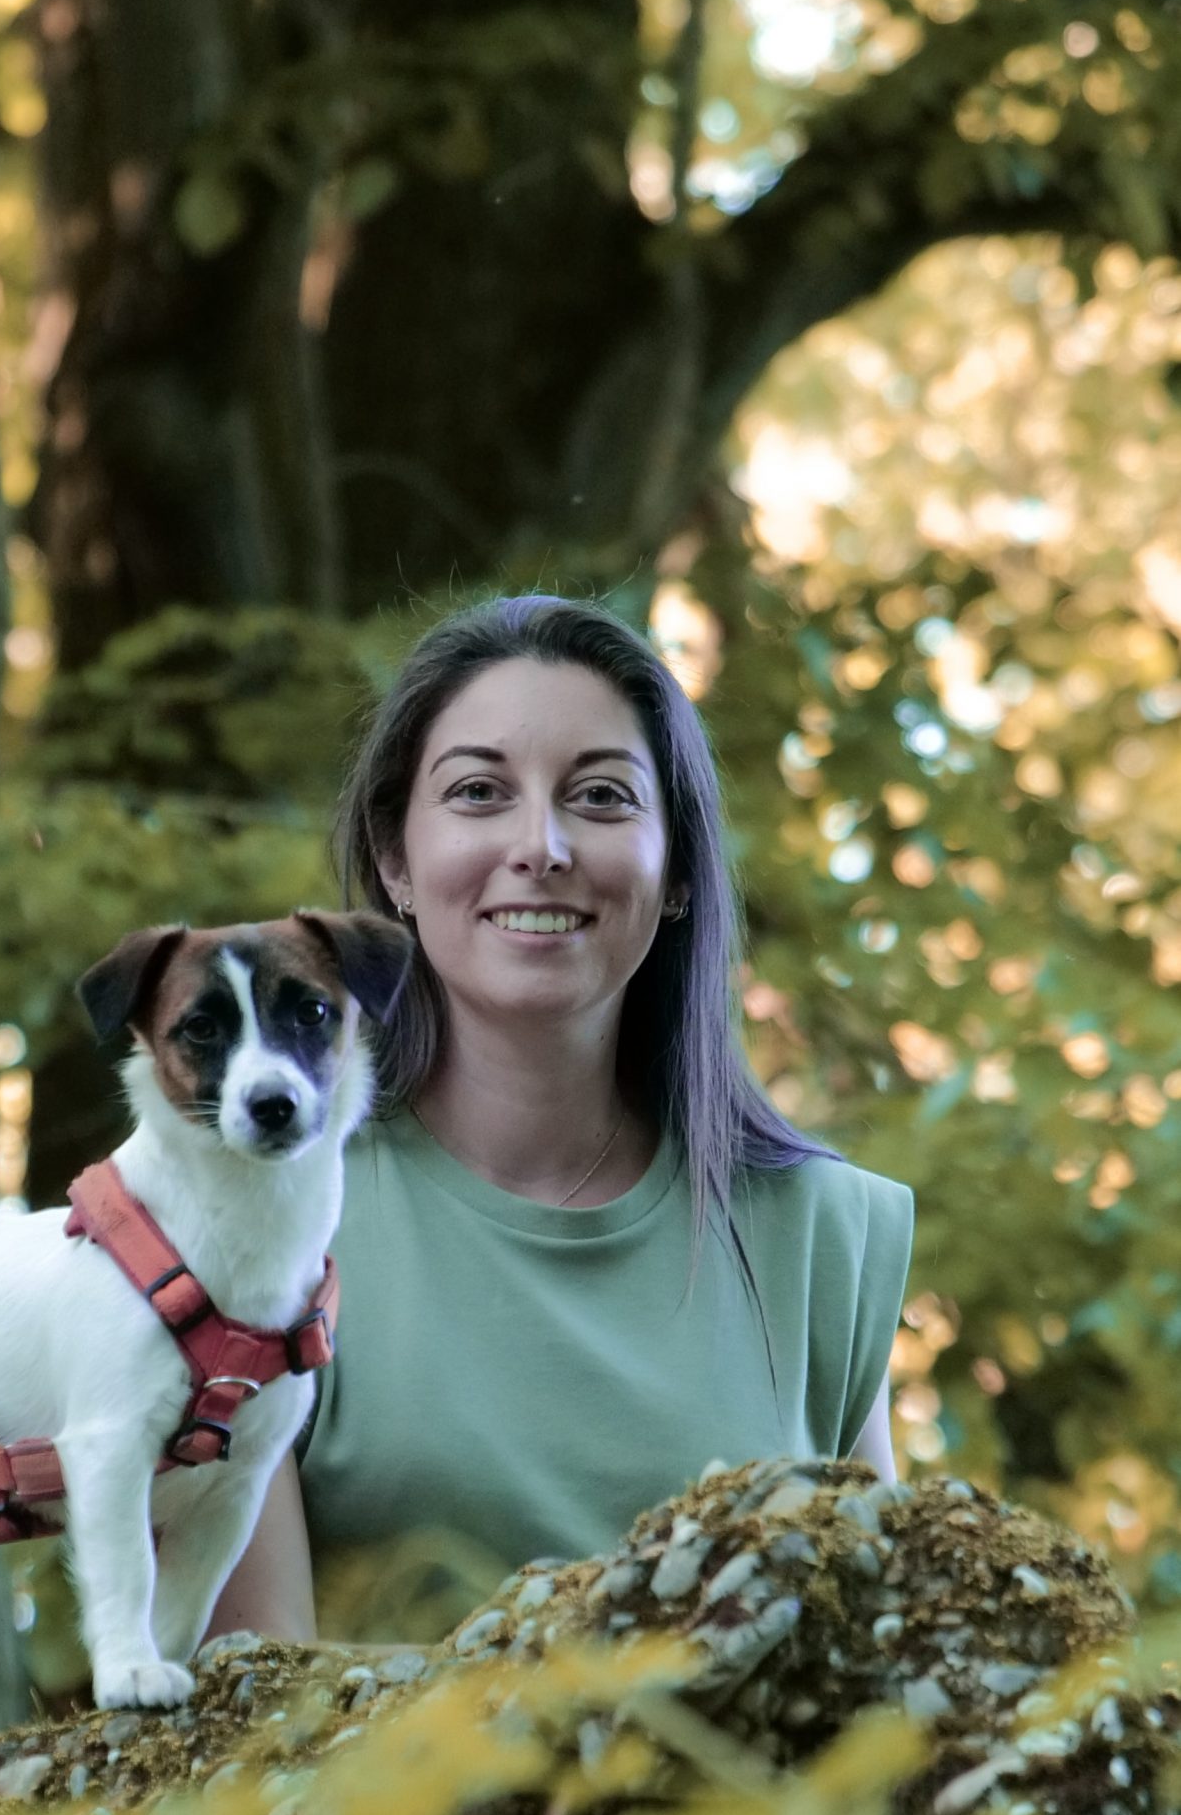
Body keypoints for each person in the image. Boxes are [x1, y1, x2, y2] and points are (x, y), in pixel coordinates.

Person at [209, 593, 913, 1642]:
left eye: (598, 796)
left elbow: (890, 1687)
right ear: (394, 858)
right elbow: (249, 1737)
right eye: (480, 792)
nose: (539, 844)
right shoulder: (254, 1230)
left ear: (675, 867)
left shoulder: (812, 1234)